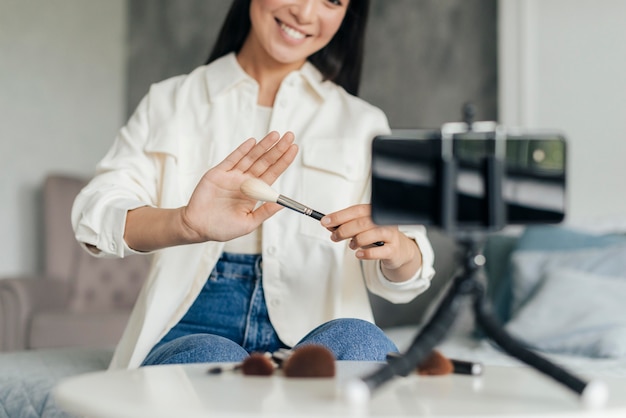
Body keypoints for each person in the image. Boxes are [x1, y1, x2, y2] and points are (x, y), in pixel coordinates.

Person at [72, 0, 435, 370]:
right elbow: (95, 217)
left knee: (363, 342)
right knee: (214, 362)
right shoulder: (170, 102)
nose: (305, 14)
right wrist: (184, 223)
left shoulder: (363, 122)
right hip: (190, 330)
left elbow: (403, 279)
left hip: (314, 332)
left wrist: (398, 251)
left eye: (332, 0)